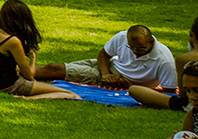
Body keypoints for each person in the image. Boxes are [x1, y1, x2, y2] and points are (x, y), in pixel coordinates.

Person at [51, 26, 185, 108]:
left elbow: (169, 93)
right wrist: (106, 74)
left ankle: (30, 81)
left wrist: (128, 85)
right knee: (54, 67)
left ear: (152, 41)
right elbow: (103, 55)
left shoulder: (164, 60)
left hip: (117, 79)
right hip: (107, 68)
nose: (135, 51)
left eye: (141, 49)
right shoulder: (122, 37)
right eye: (131, 48)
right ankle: (30, 74)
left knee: (56, 70)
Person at [0, 0, 66, 97]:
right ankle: (29, 98)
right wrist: (33, 57)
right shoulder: (12, 41)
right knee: (67, 93)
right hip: (8, 85)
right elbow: (29, 76)